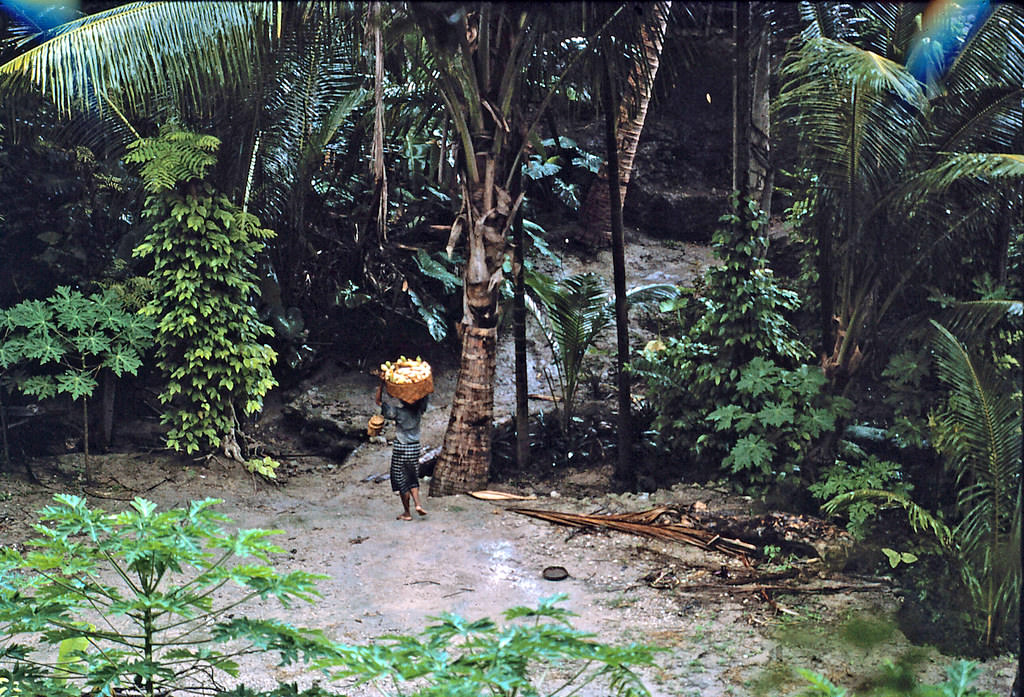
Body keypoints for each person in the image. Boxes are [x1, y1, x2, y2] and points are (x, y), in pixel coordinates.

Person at [375, 382, 429, 520]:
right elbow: (426, 396)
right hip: (415, 448)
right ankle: (418, 504)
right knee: (412, 477)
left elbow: (379, 402)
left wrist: (381, 385)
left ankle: (407, 513)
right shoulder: (419, 411)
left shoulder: (398, 412)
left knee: (401, 480)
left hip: (401, 448)